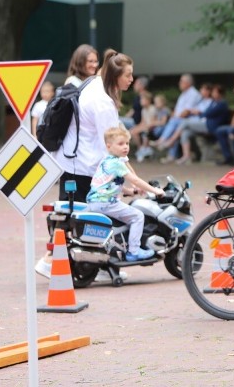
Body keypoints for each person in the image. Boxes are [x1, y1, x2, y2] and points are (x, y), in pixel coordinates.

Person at [36, 48, 136, 279]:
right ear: (114, 76)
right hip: (84, 166)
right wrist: (132, 179)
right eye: (127, 75)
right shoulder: (102, 101)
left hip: (71, 161)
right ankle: (51, 261)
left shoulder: (92, 84)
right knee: (89, 217)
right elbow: (114, 146)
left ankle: (96, 264)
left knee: (73, 215)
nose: (131, 79)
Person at [86, 126, 164, 261]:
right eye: (120, 144)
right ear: (109, 146)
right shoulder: (117, 163)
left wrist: (130, 191)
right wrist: (155, 190)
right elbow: (135, 179)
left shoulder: (105, 162)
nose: (125, 147)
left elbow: (110, 183)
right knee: (138, 216)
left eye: (127, 143)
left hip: (94, 201)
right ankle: (133, 252)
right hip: (106, 203)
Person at [170, 83, 230, 165]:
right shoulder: (214, 102)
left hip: (211, 127)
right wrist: (199, 113)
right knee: (185, 133)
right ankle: (186, 156)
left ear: (220, 93)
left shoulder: (221, 103)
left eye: (214, 92)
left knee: (185, 122)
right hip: (205, 125)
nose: (212, 93)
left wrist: (198, 112)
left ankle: (171, 140)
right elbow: (206, 113)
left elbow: (207, 113)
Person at [152, 74, 203, 157]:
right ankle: (171, 155)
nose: (179, 83)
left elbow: (186, 111)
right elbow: (176, 110)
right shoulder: (183, 94)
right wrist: (173, 117)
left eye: (181, 81)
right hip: (179, 121)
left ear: (188, 83)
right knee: (173, 127)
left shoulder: (193, 94)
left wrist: (175, 118)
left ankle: (162, 141)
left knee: (174, 123)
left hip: (189, 120)